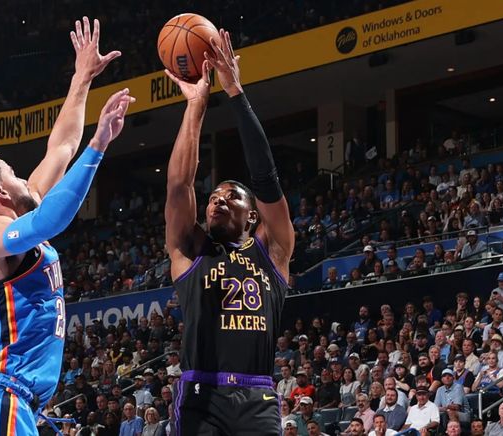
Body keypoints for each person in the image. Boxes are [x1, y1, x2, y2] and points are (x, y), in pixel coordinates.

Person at [0, 17, 134, 436]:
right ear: (0, 192)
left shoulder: (20, 213)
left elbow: (62, 146)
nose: (24, 178)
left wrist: (82, 77)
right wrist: (99, 144)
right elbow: (52, 220)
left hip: (12, 403)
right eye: (13, 173)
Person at [164, 29, 294, 436]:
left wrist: (235, 92)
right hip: (202, 394)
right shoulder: (192, 248)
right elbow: (179, 185)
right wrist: (196, 104)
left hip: (258, 397)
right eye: (214, 196)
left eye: (231, 196)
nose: (218, 200)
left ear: (253, 216)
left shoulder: (273, 250)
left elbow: (266, 178)